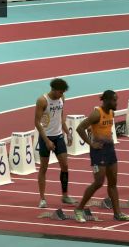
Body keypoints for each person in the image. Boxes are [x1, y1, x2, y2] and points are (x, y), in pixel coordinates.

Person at [74, 90, 129, 222]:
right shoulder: (97, 113)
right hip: (98, 152)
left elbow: (101, 129)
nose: (116, 102)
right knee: (99, 182)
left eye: (116, 100)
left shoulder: (111, 112)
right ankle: (79, 209)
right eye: (114, 100)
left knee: (113, 183)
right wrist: (91, 143)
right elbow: (80, 128)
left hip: (110, 150)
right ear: (106, 100)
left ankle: (117, 213)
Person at [34, 78, 77, 208]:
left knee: (65, 166)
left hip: (58, 137)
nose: (62, 94)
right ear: (55, 90)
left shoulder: (62, 98)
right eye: (61, 92)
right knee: (44, 168)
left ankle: (65, 195)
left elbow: (61, 118)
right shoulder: (42, 100)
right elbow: (37, 122)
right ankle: (42, 198)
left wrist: (68, 133)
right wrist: (46, 141)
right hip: (45, 137)